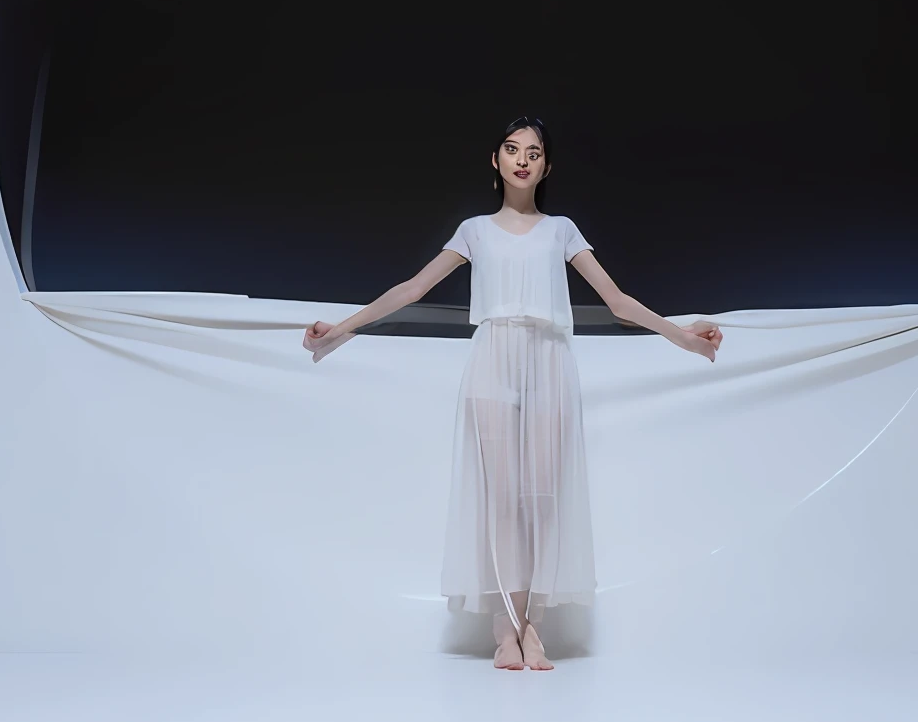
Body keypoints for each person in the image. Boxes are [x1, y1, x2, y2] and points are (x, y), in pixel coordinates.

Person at [303, 117, 722, 670]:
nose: (522, 159)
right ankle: (506, 632)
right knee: (501, 501)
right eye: (511, 148)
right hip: (493, 359)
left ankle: (534, 629)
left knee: (543, 500)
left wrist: (683, 338)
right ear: (495, 161)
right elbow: (412, 288)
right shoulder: (474, 230)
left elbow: (617, 300)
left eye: (534, 151)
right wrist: (342, 331)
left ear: (546, 166)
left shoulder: (562, 230)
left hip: (548, 361)